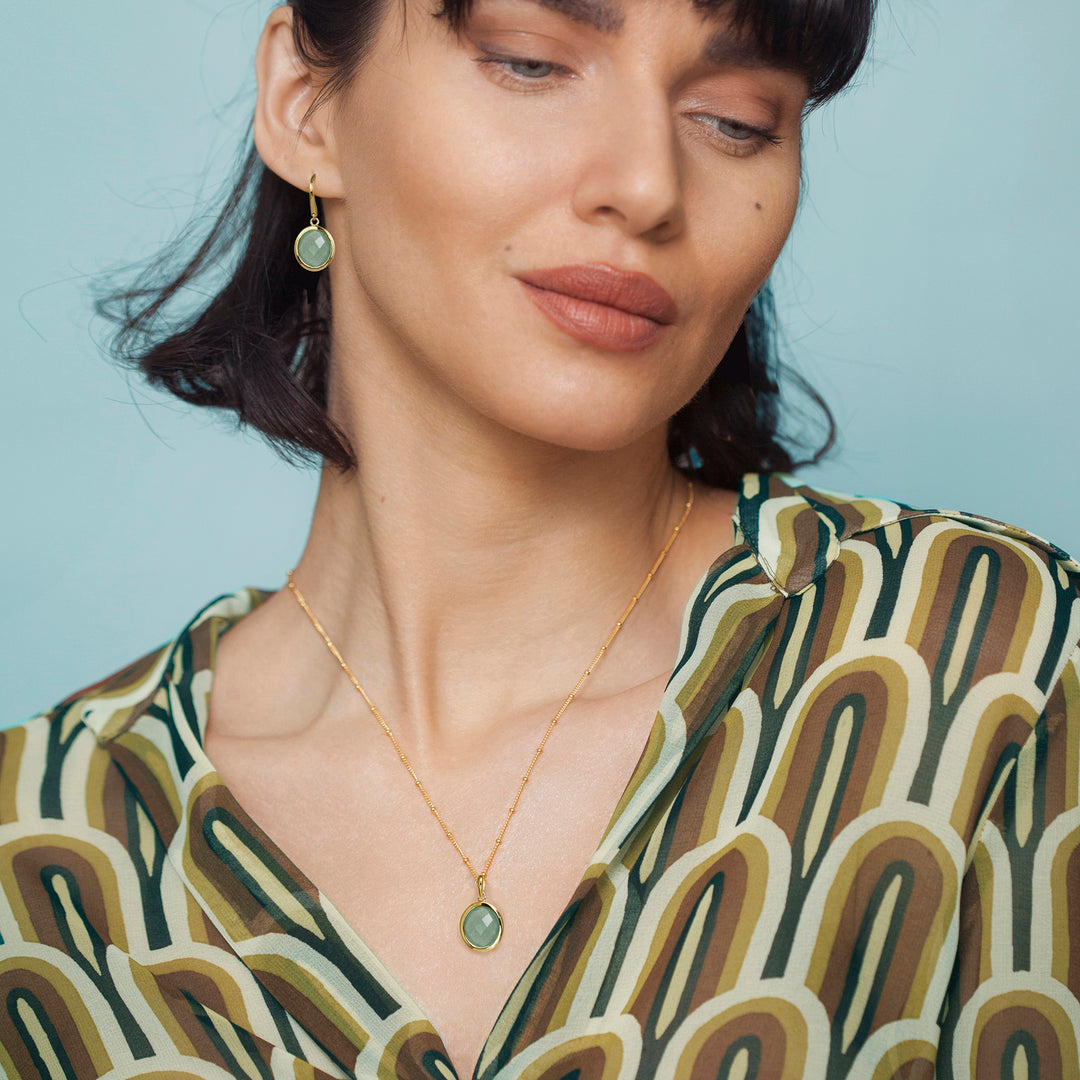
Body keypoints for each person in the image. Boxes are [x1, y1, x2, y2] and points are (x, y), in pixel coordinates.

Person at [1, 0, 1078, 1077]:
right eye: (529, 63)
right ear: (305, 104)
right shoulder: (36, 858)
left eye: (738, 121)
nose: (648, 186)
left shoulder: (989, 679)